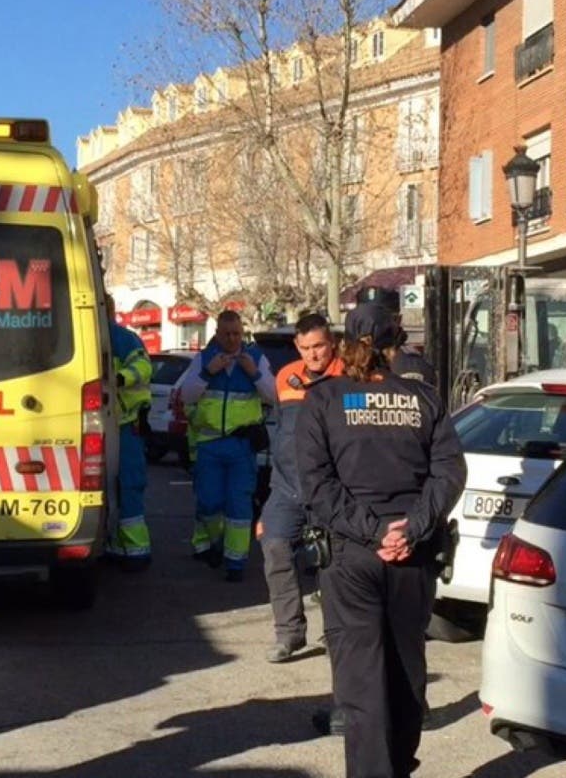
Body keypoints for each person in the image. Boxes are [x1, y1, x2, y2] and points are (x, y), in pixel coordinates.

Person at [295, 303, 466, 778]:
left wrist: (373, 532)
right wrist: (411, 527)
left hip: (353, 554)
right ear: (395, 346)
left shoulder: (324, 400)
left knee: (361, 685)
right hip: (412, 555)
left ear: (342, 342)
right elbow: (450, 471)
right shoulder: (424, 399)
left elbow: (316, 484)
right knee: (407, 669)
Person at [260, 313, 343, 662]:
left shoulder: (348, 377)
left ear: (332, 343)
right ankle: (289, 633)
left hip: (331, 488)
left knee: (335, 561)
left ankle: (336, 633)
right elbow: (279, 435)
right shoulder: (284, 378)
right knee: (275, 546)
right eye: (306, 348)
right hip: (286, 488)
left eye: (319, 346)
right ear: (297, 346)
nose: (313, 355)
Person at [178, 310, 276, 581]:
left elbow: (273, 394)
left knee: (239, 505)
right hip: (209, 443)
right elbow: (186, 394)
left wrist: (253, 373)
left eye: (236, 334)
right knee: (209, 502)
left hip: (241, 446)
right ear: (217, 334)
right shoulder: (205, 358)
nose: (232, 339)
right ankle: (216, 542)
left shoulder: (255, 358)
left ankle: (236, 562)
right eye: (226, 334)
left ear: (242, 332)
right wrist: (209, 372)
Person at [106, 296, 153, 570]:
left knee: (129, 485)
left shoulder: (123, 338)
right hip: (109, 423)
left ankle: (136, 550)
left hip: (125, 424)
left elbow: (143, 367)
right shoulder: (106, 336)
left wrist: (121, 378)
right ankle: (118, 545)